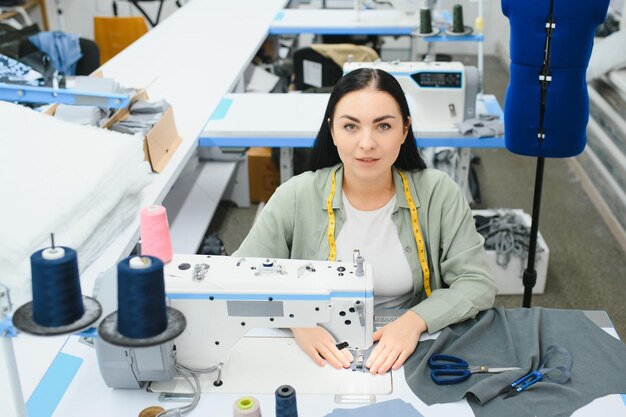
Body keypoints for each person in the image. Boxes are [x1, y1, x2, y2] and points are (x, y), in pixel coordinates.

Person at [233, 68, 496, 375]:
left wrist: (415, 320)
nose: (367, 143)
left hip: (411, 347)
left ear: (405, 129)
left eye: (383, 126)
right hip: (317, 349)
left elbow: (476, 283)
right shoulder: (295, 196)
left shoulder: (439, 193)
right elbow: (239, 279)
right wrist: (295, 321)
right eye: (351, 127)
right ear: (332, 130)